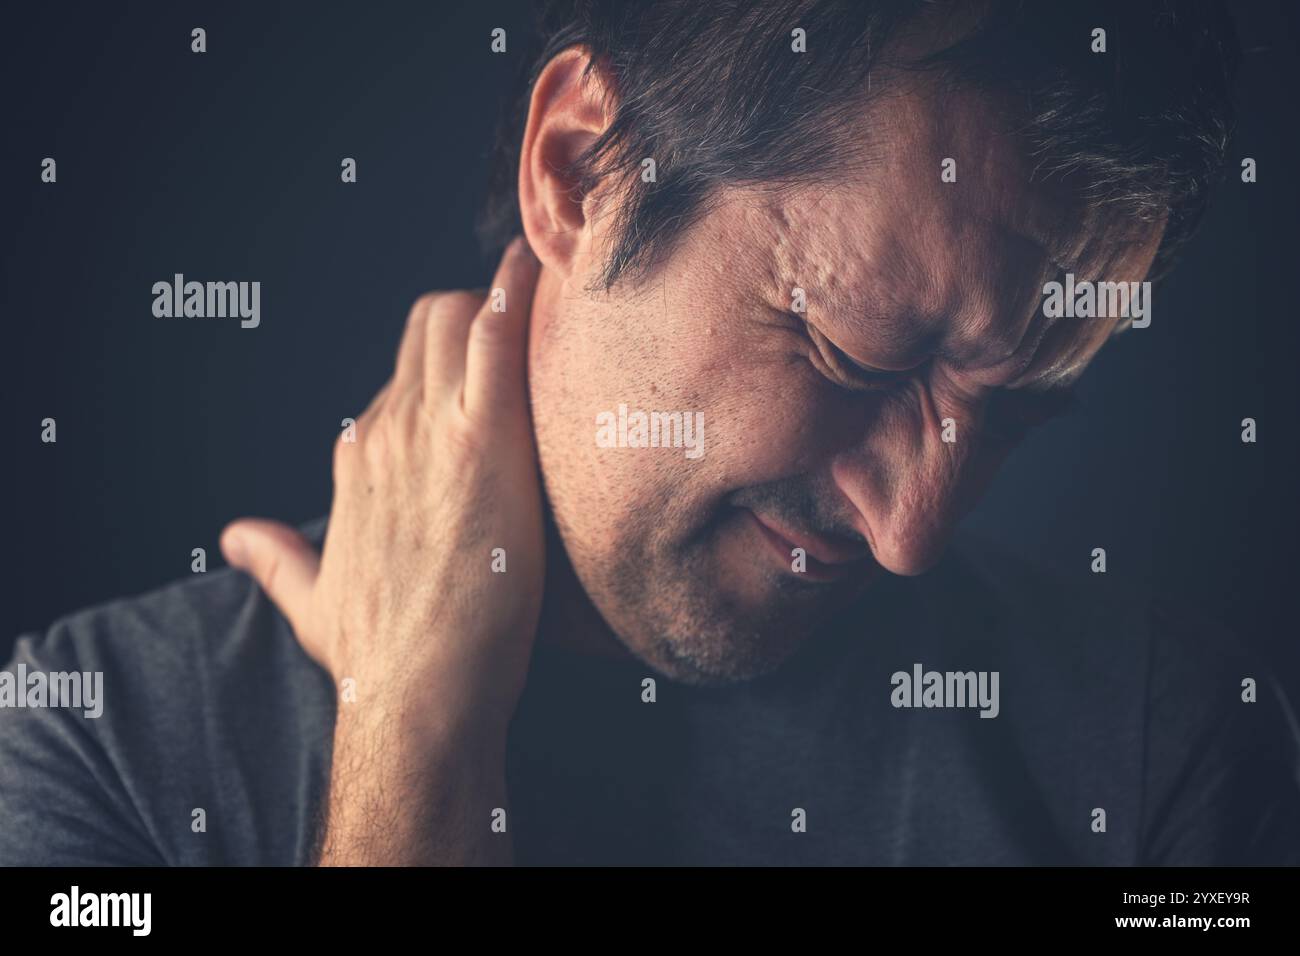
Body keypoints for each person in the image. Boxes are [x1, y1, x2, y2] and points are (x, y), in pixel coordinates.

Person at [3, 0, 1296, 865]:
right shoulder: (102, 743)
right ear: (584, 169)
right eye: (853, 355)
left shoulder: (1161, 755)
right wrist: (410, 751)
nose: (914, 536)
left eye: (1010, 413)